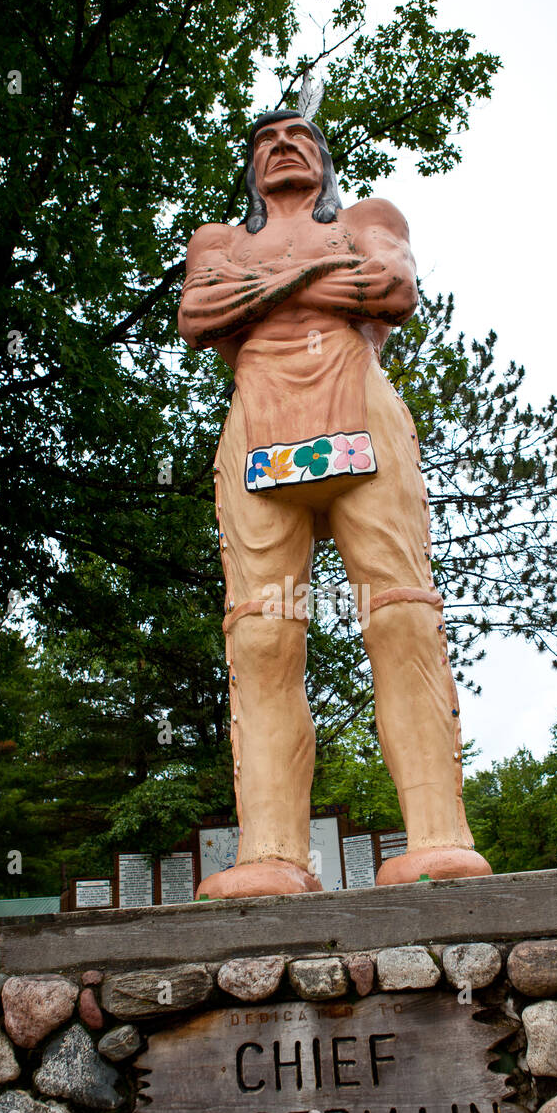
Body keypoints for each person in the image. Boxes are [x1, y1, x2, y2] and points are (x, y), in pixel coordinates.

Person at [178, 109, 491, 897]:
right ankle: (271, 855)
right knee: (262, 640)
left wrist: (261, 293)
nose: (284, 148)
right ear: (251, 168)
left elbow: (391, 286)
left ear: (323, 160)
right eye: (267, 142)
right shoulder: (216, 240)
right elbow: (198, 315)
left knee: (400, 612)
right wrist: (314, 283)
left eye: (301, 139)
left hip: (361, 413)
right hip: (257, 429)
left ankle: (438, 838)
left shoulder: (368, 219)